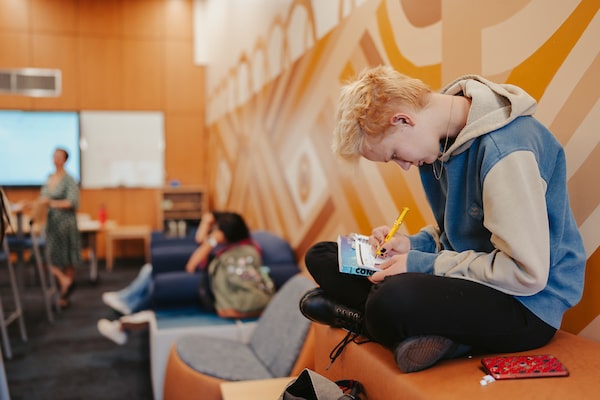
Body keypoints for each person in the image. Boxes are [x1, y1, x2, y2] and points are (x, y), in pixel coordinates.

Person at [299, 65, 586, 373]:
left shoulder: (505, 150)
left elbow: (525, 273)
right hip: (475, 281)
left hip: (526, 304)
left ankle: (381, 322)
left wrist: (419, 264)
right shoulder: (441, 145)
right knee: (325, 257)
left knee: (391, 299)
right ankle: (423, 332)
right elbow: (454, 234)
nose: (404, 166)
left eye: (395, 154)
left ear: (403, 120)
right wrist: (408, 245)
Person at [97, 210, 259, 345]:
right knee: (150, 274)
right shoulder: (237, 246)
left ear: (226, 233)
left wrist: (211, 241)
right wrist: (206, 222)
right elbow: (198, 239)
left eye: (217, 229)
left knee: (154, 285)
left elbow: (192, 265)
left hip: (204, 285)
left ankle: (122, 319)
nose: (214, 231)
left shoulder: (234, 251)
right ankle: (124, 309)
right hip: (202, 279)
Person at [38, 147, 81, 308]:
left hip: (65, 223)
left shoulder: (69, 179)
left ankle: (64, 295)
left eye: (59, 157)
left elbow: (72, 202)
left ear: (65, 160)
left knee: (67, 259)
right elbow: (42, 198)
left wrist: (51, 203)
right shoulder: (49, 178)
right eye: (54, 156)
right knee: (46, 258)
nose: (56, 159)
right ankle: (65, 281)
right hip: (51, 224)